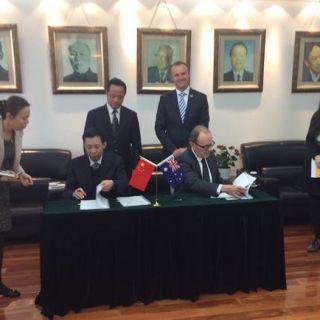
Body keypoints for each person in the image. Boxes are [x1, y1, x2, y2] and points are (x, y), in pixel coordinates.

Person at [0, 96, 33, 297]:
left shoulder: (17, 133)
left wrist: (21, 173)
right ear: (9, 116)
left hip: (2, 193)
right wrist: (5, 176)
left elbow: (13, 163)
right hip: (2, 183)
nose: (26, 122)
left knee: (0, 239)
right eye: (24, 118)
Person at [84, 78, 142, 177]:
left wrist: (136, 168)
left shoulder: (131, 115)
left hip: (125, 167)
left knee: (126, 191)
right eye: (112, 96)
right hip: (102, 166)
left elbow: (137, 145)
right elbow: (87, 143)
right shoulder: (94, 115)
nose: (116, 100)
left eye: (120, 97)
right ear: (106, 93)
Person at [155, 61, 209, 158]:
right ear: (172, 78)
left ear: (188, 74)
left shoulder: (201, 98)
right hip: (171, 154)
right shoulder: (164, 99)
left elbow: (203, 128)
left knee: (192, 174)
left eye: (183, 74)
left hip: (194, 154)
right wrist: (174, 150)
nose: (180, 77)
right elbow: (159, 128)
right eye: (176, 75)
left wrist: (188, 149)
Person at [177, 125, 246, 197]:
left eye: (210, 145)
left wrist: (235, 186)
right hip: (191, 202)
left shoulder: (211, 156)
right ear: (192, 144)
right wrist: (223, 188)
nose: (209, 149)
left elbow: (217, 180)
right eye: (205, 146)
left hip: (211, 200)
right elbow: (195, 183)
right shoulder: (183, 160)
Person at [63, 128, 128, 200]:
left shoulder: (116, 160)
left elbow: (124, 184)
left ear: (104, 145)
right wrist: (74, 193)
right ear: (84, 146)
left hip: (110, 204)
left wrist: (113, 184)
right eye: (89, 147)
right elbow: (67, 191)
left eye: (97, 146)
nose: (93, 151)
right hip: (86, 205)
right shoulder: (75, 164)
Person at [304, 103, 320, 252]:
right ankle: (318, 238)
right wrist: (316, 155)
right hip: (318, 168)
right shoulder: (317, 115)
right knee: (315, 205)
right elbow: (309, 140)